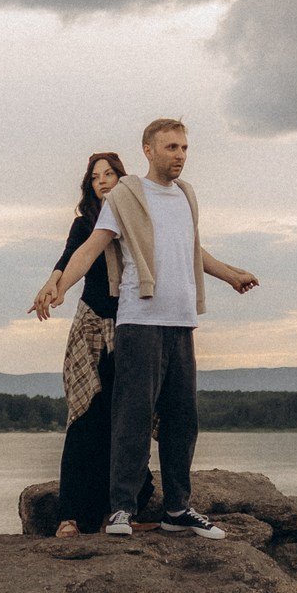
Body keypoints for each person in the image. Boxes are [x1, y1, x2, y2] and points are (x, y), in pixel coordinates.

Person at [44, 118, 259, 539]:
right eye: (171, 147)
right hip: (139, 320)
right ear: (148, 150)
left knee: (182, 420)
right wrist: (61, 286)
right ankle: (121, 509)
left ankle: (177, 509)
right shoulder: (126, 194)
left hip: (181, 321)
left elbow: (191, 249)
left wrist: (230, 275)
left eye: (183, 148)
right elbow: (91, 246)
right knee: (132, 417)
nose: (179, 155)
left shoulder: (185, 196)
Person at [29, 152, 127, 536]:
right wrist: (52, 285)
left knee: (120, 422)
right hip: (91, 324)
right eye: (96, 176)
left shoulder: (136, 219)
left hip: (130, 326)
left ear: (123, 178)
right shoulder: (85, 222)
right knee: (84, 416)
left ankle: (111, 513)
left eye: (110, 174)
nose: (102, 180)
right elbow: (71, 257)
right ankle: (69, 515)